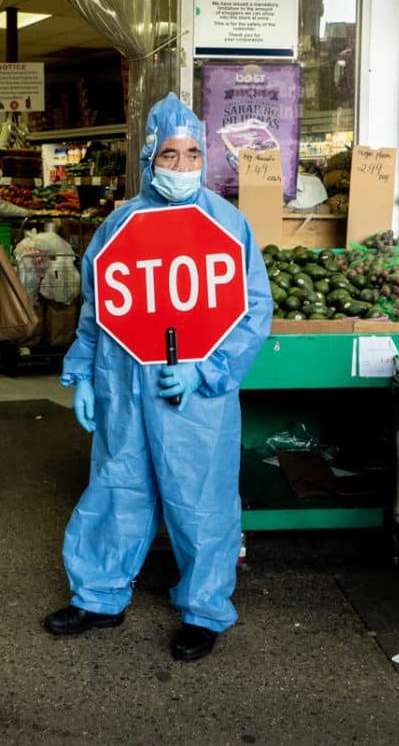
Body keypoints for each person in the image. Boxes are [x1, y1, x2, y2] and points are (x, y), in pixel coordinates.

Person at [43, 93, 272, 661]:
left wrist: (208, 370)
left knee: (202, 499)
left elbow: (253, 309)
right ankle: (98, 595)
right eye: (169, 155)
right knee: (118, 488)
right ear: (149, 160)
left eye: (193, 153)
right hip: (124, 385)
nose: (182, 165)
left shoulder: (229, 225)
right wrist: (84, 375)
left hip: (196, 396)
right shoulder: (119, 225)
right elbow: (97, 309)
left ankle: (205, 608)